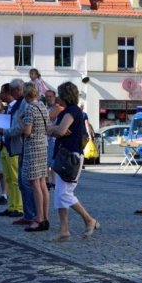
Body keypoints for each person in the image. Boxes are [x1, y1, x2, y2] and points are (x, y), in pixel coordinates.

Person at [47, 82, 99, 242]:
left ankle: (89, 220)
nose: (57, 97)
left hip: (71, 156)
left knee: (65, 193)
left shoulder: (72, 111)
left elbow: (59, 130)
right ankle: (64, 230)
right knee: (59, 194)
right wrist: (55, 130)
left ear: (65, 95)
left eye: (59, 94)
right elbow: (56, 130)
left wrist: (54, 130)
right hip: (64, 154)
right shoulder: (66, 111)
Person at [0, 79, 36, 226]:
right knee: (18, 181)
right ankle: (24, 211)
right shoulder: (19, 104)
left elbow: (22, 128)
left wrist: (6, 131)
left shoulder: (26, 104)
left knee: (24, 183)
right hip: (16, 145)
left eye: (13, 91)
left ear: (20, 89)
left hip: (23, 146)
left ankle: (28, 212)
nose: (12, 94)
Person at [20, 82, 49, 232]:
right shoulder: (43, 107)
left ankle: (38, 219)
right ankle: (45, 217)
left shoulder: (30, 108)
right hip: (42, 146)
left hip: (32, 148)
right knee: (43, 183)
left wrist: (20, 120)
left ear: (26, 95)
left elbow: (26, 131)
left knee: (34, 184)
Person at [0, 83, 23, 218]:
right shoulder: (7, 108)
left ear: (8, 92)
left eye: (2, 92)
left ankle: (19, 207)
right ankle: (12, 205)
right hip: (5, 145)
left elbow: (17, 127)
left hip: (13, 145)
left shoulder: (18, 106)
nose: (0, 95)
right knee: (8, 178)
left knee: (15, 178)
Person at [45, 90, 63, 189]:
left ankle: (54, 182)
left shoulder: (57, 108)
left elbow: (49, 117)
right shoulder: (46, 108)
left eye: (50, 96)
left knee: (52, 162)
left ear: (54, 97)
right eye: (47, 96)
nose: (48, 98)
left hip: (53, 138)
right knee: (46, 163)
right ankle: (48, 181)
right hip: (46, 137)